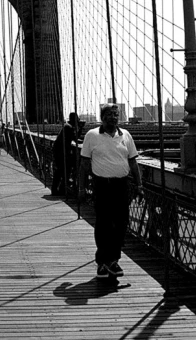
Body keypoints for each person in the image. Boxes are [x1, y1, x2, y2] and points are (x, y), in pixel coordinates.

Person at [78, 103, 144, 280]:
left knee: (121, 224)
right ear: (102, 117)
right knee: (103, 224)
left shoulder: (126, 135)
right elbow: (84, 165)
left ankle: (113, 260)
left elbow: (133, 162)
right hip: (101, 185)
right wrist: (81, 188)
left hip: (122, 185)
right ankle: (102, 262)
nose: (113, 117)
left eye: (116, 114)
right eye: (109, 114)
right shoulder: (92, 136)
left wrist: (139, 186)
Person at [51, 112, 84, 197]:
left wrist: (79, 128)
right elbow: (75, 139)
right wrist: (80, 128)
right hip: (61, 152)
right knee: (64, 171)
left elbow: (74, 138)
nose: (78, 120)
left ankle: (58, 190)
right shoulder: (68, 127)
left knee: (61, 171)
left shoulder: (67, 126)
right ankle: (60, 190)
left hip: (60, 151)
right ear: (73, 119)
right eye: (77, 118)